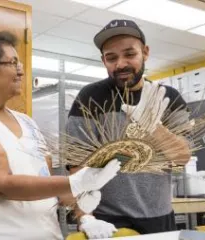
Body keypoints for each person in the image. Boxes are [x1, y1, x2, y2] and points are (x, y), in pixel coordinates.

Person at [0, 31, 121, 240]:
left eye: (20, 64)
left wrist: (84, 216)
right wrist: (77, 182)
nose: (21, 71)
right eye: (13, 63)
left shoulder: (27, 123)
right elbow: (2, 185)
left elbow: (47, 182)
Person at [66, 20, 191, 239]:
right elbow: (77, 168)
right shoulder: (89, 99)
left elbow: (182, 157)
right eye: (111, 57)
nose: (121, 64)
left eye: (129, 54)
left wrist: (153, 127)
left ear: (145, 52)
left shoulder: (168, 98)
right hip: (108, 222)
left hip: (161, 218)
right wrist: (86, 217)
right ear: (103, 60)